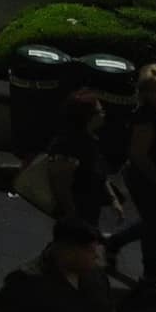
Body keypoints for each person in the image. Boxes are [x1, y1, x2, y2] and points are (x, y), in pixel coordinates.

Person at [106, 62, 156, 299]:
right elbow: (138, 155)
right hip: (145, 178)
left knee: (155, 223)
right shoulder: (145, 117)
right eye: (150, 90)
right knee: (155, 226)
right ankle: (151, 276)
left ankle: (115, 242)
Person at [46, 90, 122, 231]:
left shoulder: (91, 140)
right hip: (75, 215)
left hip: (89, 211)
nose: (103, 114)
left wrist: (113, 200)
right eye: (100, 111)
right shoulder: (67, 144)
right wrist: (72, 216)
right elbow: (60, 184)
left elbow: (99, 173)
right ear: (87, 116)